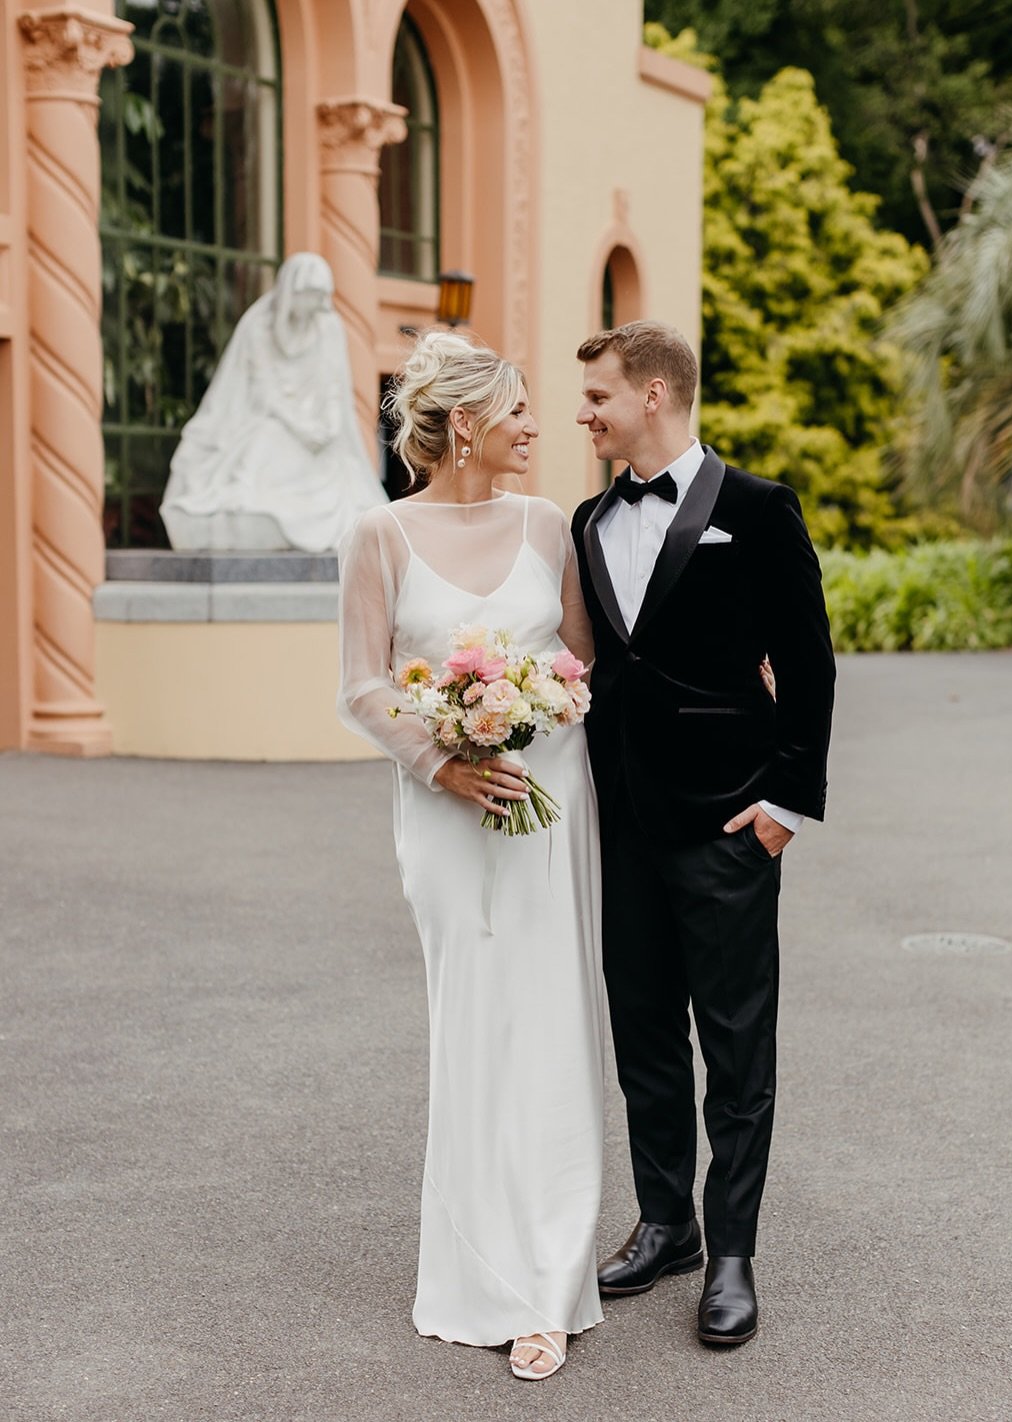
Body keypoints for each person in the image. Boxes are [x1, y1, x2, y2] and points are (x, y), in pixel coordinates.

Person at [338, 331, 604, 1381]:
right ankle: (473, 1269)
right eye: (518, 412)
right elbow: (361, 685)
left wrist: (541, 710)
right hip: (444, 812)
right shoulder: (379, 535)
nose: (537, 427)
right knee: (473, 1024)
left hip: (551, 797)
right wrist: (439, 761)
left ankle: (548, 1282)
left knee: (549, 1024)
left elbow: (582, 663)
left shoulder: (548, 524)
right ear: (459, 429)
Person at [571, 320, 835, 1345]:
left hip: (728, 824)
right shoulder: (590, 520)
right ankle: (663, 1221)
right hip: (625, 824)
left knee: (733, 1045)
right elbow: (604, 672)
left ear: (652, 393)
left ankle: (731, 1252)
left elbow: (806, 667)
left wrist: (781, 809)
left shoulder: (757, 511)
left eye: (596, 394)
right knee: (641, 1034)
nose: (582, 413)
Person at [162, 252, 386, 552]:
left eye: (322, 297)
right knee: (263, 446)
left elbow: (334, 389)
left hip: (319, 432)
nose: (317, 306)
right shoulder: (259, 327)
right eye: (311, 296)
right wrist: (301, 427)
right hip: (275, 420)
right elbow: (262, 392)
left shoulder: (328, 327)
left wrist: (329, 427)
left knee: (340, 470)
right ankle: (248, 502)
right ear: (291, 291)